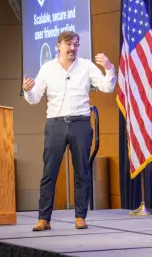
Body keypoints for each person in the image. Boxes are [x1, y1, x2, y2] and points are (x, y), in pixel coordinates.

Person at [23, 31, 117, 231]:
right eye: (69, 44)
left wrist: (109, 69)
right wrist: (27, 89)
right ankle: (43, 219)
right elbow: (34, 98)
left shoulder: (86, 66)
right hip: (55, 124)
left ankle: (80, 216)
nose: (73, 48)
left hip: (80, 123)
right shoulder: (47, 68)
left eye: (76, 44)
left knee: (82, 171)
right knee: (49, 172)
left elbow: (107, 87)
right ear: (59, 46)